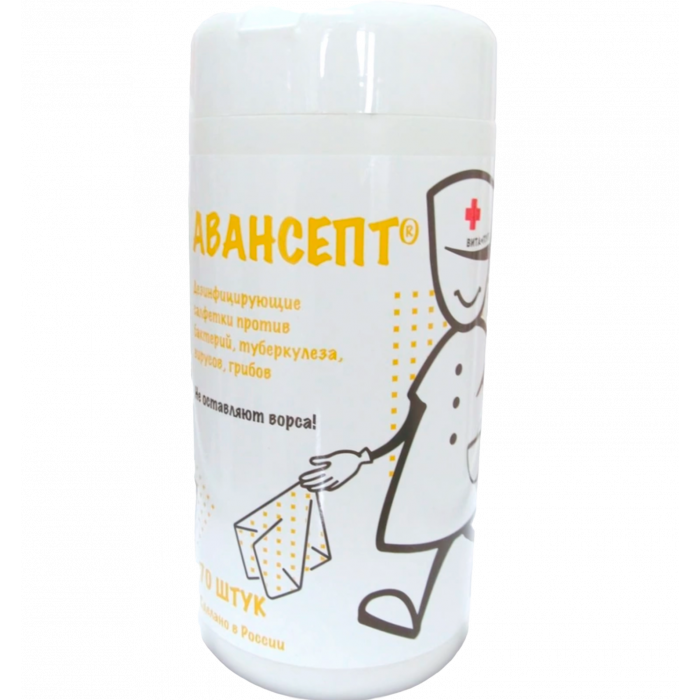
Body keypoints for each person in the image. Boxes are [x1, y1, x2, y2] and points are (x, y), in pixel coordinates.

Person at [300, 170, 492, 639]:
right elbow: (411, 421)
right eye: (451, 272)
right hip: (426, 460)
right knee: (422, 530)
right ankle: (411, 600)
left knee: (445, 521)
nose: (465, 291)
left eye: (473, 263)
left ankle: (428, 605)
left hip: (452, 465)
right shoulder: (443, 354)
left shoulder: (461, 341)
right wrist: (363, 457)